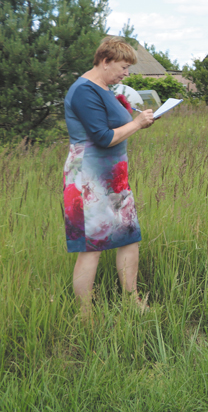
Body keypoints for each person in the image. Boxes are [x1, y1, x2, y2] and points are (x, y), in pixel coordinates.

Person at [62, 36, 155, 315]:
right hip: (89, 177)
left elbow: (119, 125)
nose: (126, 74)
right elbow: (102, 138)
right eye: (123, 67)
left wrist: (140, 121)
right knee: (92, 246)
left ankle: (133, 302)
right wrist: (137, 124)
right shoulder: (83, 91)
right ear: (105, 61)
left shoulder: (105, 88)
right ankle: (85, 314)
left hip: (115, 176)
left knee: (128, 237)